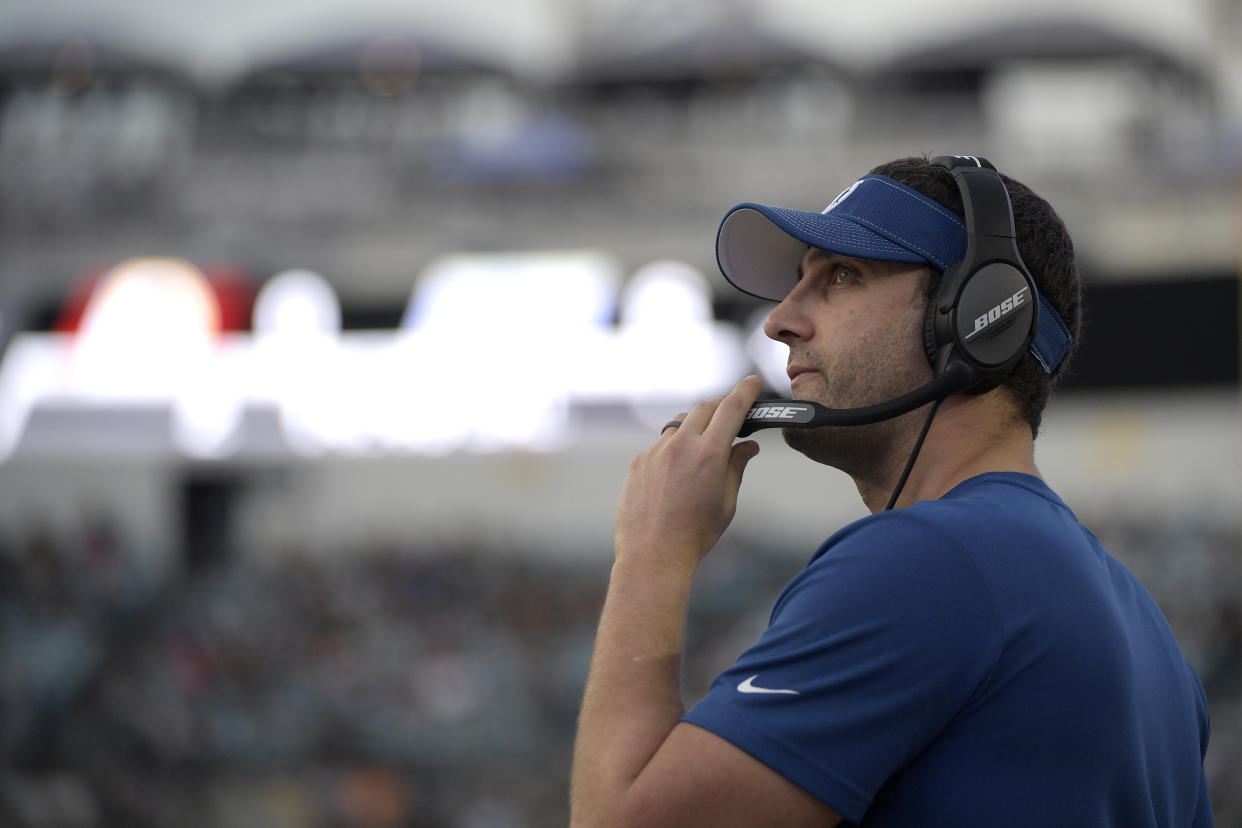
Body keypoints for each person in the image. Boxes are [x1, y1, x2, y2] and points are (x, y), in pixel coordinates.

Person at [569, 155, 1213, 827]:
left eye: (842, 276)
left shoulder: (928, 560)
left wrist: (650, 556)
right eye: (798, 281)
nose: (779, 320)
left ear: (977, 318)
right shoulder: (1152, 637)